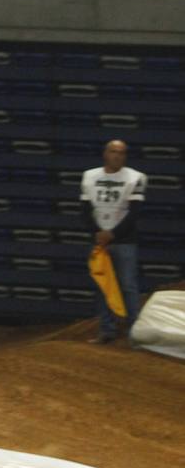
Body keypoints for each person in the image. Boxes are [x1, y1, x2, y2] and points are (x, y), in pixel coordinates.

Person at [81, 139, 146, 344]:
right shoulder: (89, 176)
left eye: (122, 152)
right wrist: (98, 232)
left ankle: (135, 332)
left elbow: (134, 213)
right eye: (113, 151)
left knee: (128, 285)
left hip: (125, 240)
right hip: (101, 241)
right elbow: (85, 210)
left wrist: (112, 234)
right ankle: (106, 330)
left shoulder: (136, 178)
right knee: (103, 285)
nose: (117, 155)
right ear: (105, 154)